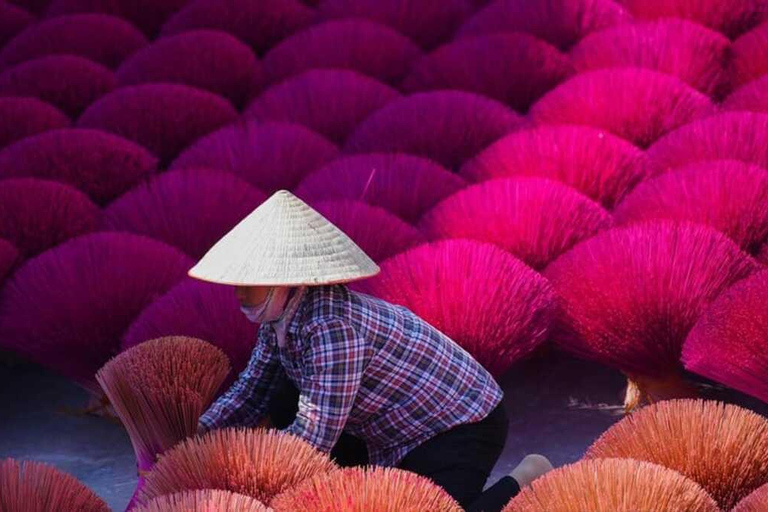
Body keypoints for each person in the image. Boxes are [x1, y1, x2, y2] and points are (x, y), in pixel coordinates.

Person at [188, 190, 553, 510]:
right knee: (281, 397)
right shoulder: (280, 318)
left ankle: (527, 477)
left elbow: (314, 437)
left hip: (461, 424)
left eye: (247, 281)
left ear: (282, 280)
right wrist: (198, 434)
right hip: (392, 430)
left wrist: (241, 469)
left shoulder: (332, 327)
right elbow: (252, 390)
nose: (237, 292)